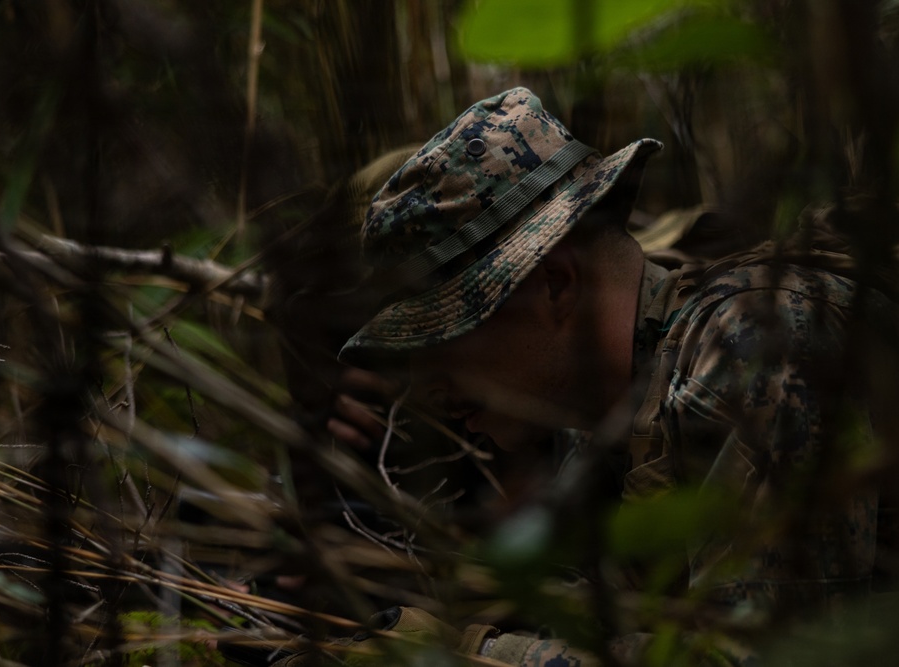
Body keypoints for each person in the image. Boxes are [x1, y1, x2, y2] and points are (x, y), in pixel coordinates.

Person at [313, 87, 898, 665]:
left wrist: (477, 655)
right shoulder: (601, 417)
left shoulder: (753, 344)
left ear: (557, 284)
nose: (426, 388)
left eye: (442, 337)